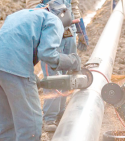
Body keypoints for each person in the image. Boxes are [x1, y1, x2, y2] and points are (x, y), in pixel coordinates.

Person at [0, 0, 82, 140]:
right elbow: (47, 54)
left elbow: (16, 42)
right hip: (15, 67)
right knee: (30, 123)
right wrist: (73, 61)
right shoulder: (54, 20)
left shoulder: (23, 14)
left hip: (5, 67)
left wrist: (30, 75)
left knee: (7, 122)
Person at [26, 0, 89, 132]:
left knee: (68, 73)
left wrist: (80, 28)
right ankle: (50, 117)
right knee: (53, 74)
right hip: (50, 30)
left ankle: (61, 111)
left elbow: (74, 4)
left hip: (69, 29)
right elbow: (32, 9)